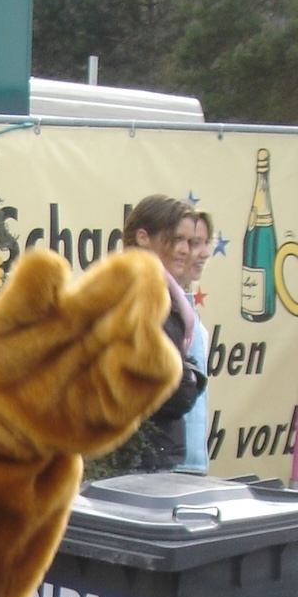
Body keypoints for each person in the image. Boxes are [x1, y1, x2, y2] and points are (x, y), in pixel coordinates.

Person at [122, 194, 207, 470]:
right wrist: (191, 379)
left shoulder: (166, 294)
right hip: (137, 459)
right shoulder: (137, 293)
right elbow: (166, 390)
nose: (185, 250)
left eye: (190, 241)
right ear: (143, 237)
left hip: (154, 454)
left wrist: (187, 375)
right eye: (177, 238)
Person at [176, 208, 213, 474]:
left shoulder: (187, 308)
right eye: (194, 243)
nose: (203, 253)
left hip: (191, 463)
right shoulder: (160, 306)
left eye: (204, 243)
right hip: (168, 465)